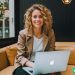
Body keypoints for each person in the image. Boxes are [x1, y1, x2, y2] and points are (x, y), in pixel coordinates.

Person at [13, 4, 60, 75]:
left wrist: (50, 66)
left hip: (43, 64)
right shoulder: (23, 34)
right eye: (35, 17)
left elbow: (51, 52)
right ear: (30, 19)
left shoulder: (50, 33)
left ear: (44, 19)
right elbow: (20, 57)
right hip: (26, 64)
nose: (37, 19)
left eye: (40, 16)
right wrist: (34, 65)